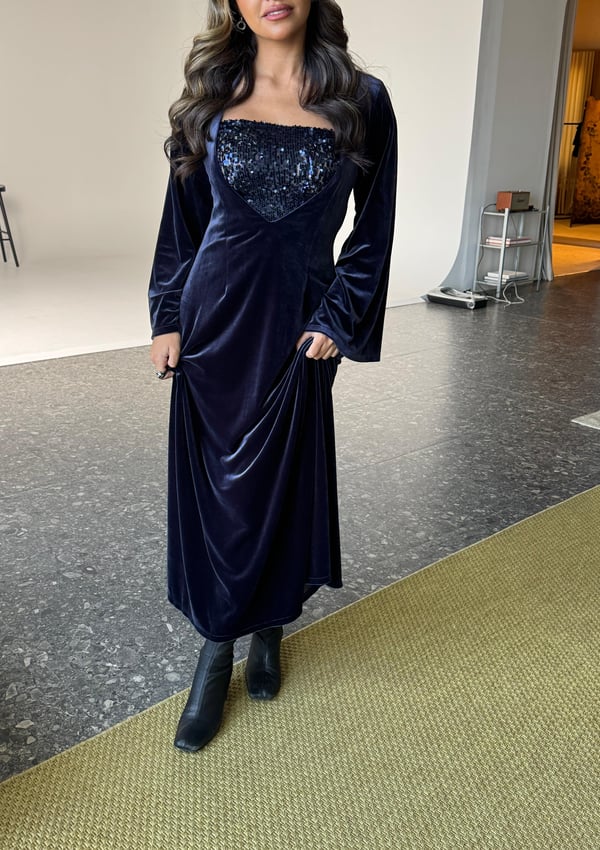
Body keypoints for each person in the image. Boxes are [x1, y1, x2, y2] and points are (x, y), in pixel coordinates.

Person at [148, 0, 397, 753]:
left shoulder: (362, 99)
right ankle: (217, 646)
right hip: (213, 328)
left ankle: (269, 627)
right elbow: (183, 224)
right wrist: (167, 316)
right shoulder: (213, 92)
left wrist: (338, 318)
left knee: (281, 487)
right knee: (219, 497)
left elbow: (373, 229)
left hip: (298, 333)